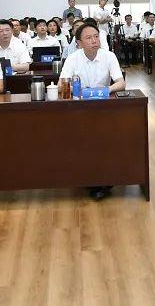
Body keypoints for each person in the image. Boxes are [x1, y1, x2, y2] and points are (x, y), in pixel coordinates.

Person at [56, 23, 127, 202]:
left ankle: (104, 179)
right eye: (89, 38)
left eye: (96, 36)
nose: (94, 40)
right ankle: (91, 178)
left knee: (106, 140)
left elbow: (121, 83)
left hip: (104, 107)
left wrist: (106, 90)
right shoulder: (73, 58)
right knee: (83, 141)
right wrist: (78, 90)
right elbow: (61, 85)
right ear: (79, 43)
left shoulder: (109, 56)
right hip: (80, 108)